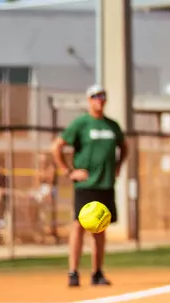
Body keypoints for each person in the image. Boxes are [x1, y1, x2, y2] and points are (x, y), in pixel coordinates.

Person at [51, 84, 129, 287]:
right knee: (79, 226)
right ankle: (73, 272)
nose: (99, 100)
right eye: (95, 96)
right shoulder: (81, 123)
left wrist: (118, 166)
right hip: (86, 185)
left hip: (105, 184)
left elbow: (125, 147)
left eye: (102, 96)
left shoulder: (112, 125)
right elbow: (56, 147)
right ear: (89, 100)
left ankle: (97, 273)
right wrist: (69, 171)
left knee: (100, 230)